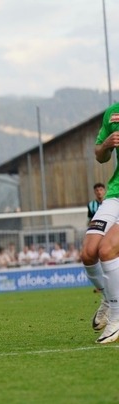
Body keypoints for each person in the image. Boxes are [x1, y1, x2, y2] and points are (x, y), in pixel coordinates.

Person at [81, 102, 119, 343]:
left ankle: (116, 316)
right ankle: (108, 296)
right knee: (88, 252)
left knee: (107, 250)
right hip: (115, 193)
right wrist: (106, 145)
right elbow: (99, 155)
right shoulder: (113, 113)